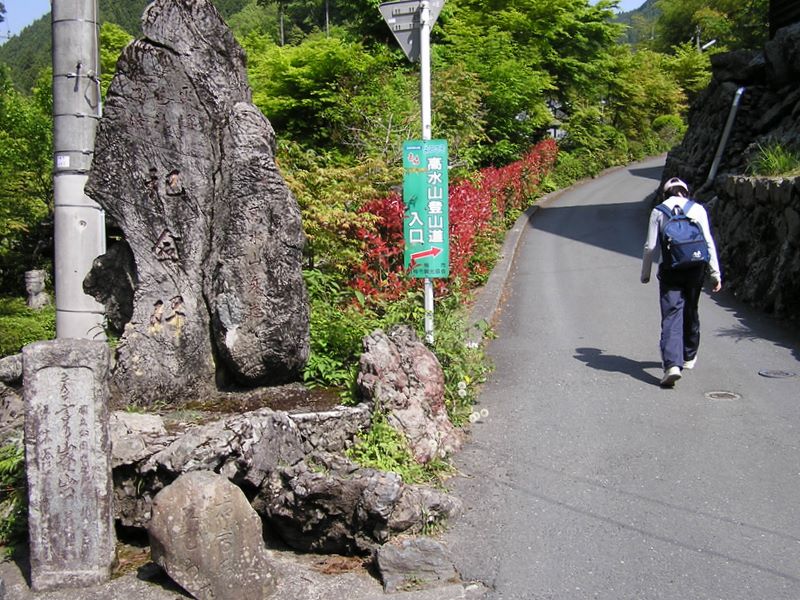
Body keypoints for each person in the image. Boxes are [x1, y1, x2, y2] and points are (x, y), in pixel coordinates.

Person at [641, 177, 722, 387]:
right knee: (691, 309)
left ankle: (672, 366)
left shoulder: (659, 211)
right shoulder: (697, 209)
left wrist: (646, 273)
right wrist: (715, 274)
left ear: (665, 194)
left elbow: (650, 246)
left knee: (671, 314)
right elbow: (708, 241)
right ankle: (689, 356)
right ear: (685, 192)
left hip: (671, 270)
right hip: (696, 267)